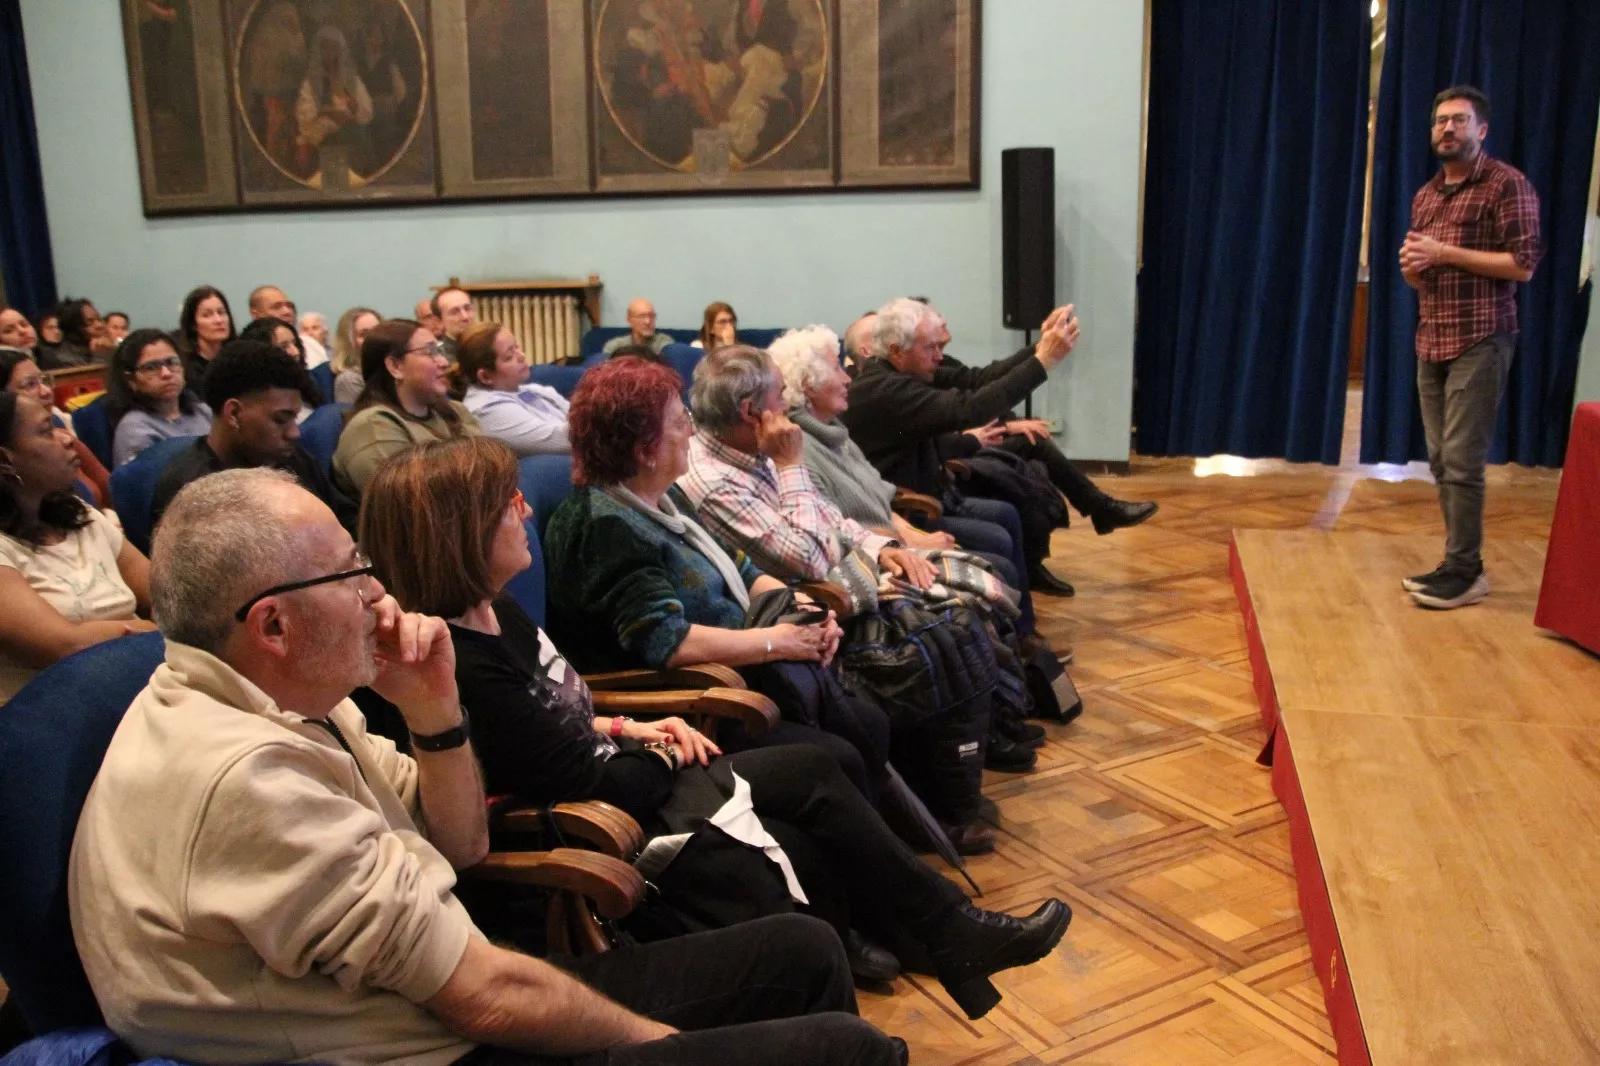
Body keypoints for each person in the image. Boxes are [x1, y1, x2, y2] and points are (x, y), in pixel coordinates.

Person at [69, 465, 913, 1066]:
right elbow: (483, 999)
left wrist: (433, 711)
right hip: (422, 1045)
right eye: (352, 573)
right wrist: (669, 1051)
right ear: (273, 626)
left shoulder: (290, 700)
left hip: (441, 1000)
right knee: (843, 1050)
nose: (378, 594)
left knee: (801, 951)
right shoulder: (247, 777)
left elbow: (462, 844)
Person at [365, 436, 1073, 1000]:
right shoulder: (460, 660)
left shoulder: (494, 608)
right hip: (601, 818)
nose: (524, 509)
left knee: (821, 760)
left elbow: (558, 711)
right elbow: (588, 782)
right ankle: (944, 933)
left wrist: (630, 729)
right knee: (810, 775)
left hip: (624, 767)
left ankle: (940, 931)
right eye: (505, 502)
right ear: (457, 533)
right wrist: (661, 750)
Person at [545, 357, 901, 799]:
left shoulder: (664, 497)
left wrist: (804, 611)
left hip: (745, 671)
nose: (692, 432)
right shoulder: (604, 526)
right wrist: (779, 642)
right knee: (839, 754)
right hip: (694, 701)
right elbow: (667, 642)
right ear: (644, 449)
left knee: (870, 720)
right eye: (680, 421)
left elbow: (744, 569)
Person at [841, 298, 1157, 595]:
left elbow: (978, 379)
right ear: (897, 351)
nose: (939, 355)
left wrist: (1040, 347)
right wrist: (1043, 361)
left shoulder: (902, 371)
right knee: (1000, 530)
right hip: (912, 508)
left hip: (933, 488)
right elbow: (972, 408)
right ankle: (1018, 621)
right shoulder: (887, 390)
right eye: (931, 347)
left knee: (1008, 512)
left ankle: (1022, 617)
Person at [768, 325, 1041, 640]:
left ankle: (1017, 647)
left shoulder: (833, 431)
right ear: (808, 384)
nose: (847, 378)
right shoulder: (797, 448)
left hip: (892, 537)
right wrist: (910, 542)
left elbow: (879, 496)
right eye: (836, 369)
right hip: (870, 559)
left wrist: (914, 534)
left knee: (1001, 542)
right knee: (998, 564)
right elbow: (836, 528)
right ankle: (1014, 648)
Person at [1398, 85, 1542, 611]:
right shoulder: (1426, 195)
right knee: (1441, 460)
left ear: (1481, 129)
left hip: (1481, 336)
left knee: (1462, 459)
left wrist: (1442, 251)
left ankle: (1466, 570)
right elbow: (1423, 274)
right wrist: (1415, 269)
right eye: (1440, 121)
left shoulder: (1507, 184)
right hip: (1432, 337)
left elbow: (1523, 265)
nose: (1447, 129)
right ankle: (1456, 561)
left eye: (1458, 120)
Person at [0, 392, 154, 701]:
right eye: (46, 431)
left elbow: (163, 594)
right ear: (5, 461)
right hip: (53, 710)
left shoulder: (79, 513)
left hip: (136, 682)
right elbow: (64, 646)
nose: (68, 438)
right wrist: (155, 632)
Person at [151, 339, 357, 532]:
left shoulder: (290, 458)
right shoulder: (191, 494)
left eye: (294, 418)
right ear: (233, 413)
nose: (294, 433)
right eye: (280, 419)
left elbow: (347, 521)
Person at [333, 319, 480, 494]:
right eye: (430, 352)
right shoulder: (372, 427)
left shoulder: (455, 410)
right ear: (395, 366)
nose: (444, 362)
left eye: (439, 350)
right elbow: (411, 501)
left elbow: (491, 471)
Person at [1, 348, 111, 505]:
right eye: (30, 385)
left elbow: (110, 489)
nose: (46, 391)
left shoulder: (61, 431)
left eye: (43, 380)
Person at [452, 322, 571, 456]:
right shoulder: (487, 411)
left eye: (517, 347)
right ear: (485, 376)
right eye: (509, 357)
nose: (522, 356)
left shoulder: (530, 389)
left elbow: (580, 416)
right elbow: (567, 440)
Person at [107, 329, 214, 467]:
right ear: (130, 380)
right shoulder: (135, 429)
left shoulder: (202, 410)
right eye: (151, 368)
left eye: (172, 362)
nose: (166, 373)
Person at [250, 284, 328, 368]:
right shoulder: (248, 353)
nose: (287, 312)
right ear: (256, 315)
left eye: (289, 306)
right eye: (277, 307)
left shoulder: (310, 344)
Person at [176, 285, 237, 389]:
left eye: (221, 312)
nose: (218, 320)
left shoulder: (237, 360)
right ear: (193, 324)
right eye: (207, 315)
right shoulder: (187, 369)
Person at [42, 298, 112, 369]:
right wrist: (100, 354)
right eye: (90, 322)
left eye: (99, 319)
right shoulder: (64, 359)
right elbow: (93, 375)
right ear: (75, 328)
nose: (100, 325)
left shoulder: (109, 346)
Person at [332, 305, 382, 403]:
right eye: (364, 334)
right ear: (348, 342)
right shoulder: (349, 380)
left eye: (378, 331)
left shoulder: (389, 371)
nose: (374, 338)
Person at [602, 298, 672, 357]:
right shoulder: (615, 346)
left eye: (651, 316)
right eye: (641, 316)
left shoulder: (663, 343)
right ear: (629, 320)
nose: (648, 321)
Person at [433, 287, 476, 361]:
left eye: (467, 308)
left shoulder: (490, 344)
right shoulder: (434, 351)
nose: (465, 317)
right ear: (439, 321)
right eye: (454, 312)